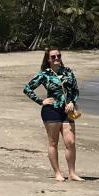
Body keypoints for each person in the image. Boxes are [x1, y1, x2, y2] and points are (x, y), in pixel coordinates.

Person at [23, 47, 82, 182]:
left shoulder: (68, 72)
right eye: (53, 57)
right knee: (53, 142)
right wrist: (41, 101)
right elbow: (27, 89)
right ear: (48, 59)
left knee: (70, 142)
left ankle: (72, 173)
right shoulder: (44, 74)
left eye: (58, 56)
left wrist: (72, 101)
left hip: (67, 110)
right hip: (51, 111)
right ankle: (58, 173)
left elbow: (75, 90)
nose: (57, 58)